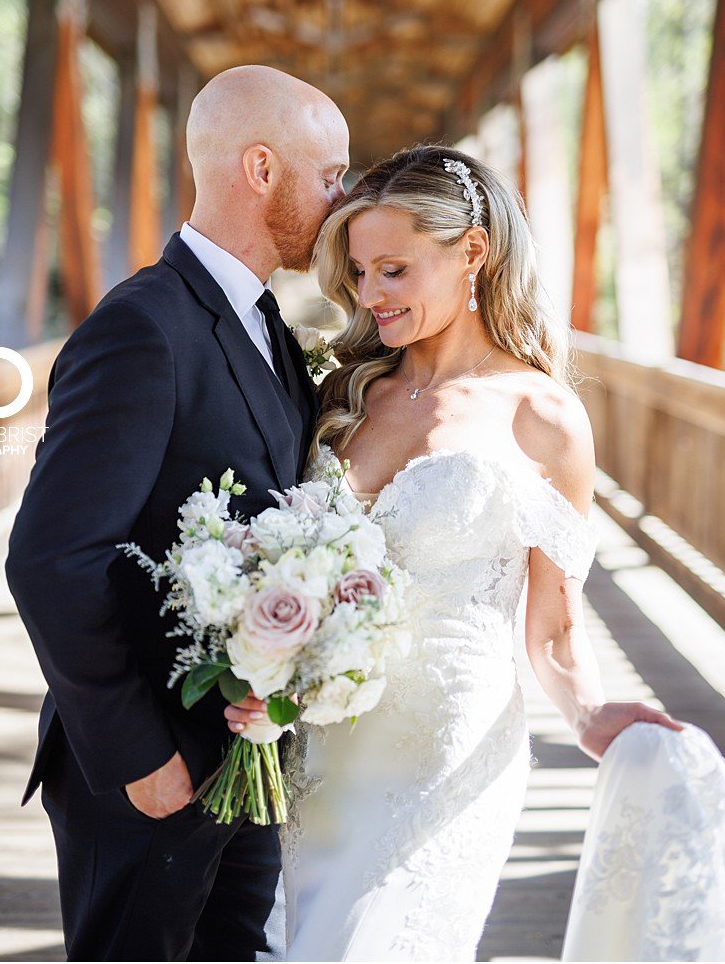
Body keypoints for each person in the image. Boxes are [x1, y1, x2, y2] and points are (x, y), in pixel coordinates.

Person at [222, 146, 682, 959]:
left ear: (473, 249)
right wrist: (263, 671)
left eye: (394, 269)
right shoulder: (340, 392)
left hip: (443, 752)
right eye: (360, 273)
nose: (370, 296)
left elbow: (555, 623)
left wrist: (588, 713)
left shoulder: (543, 415)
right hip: (312, 751)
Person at [6, 65, 350, 960]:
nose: (341, 196)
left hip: (241, 754)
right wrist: (140, 759)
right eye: (330, 173)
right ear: (263, 168)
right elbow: (49, 556)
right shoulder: (143, 327)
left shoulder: (265, 324)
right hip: (148, 772)